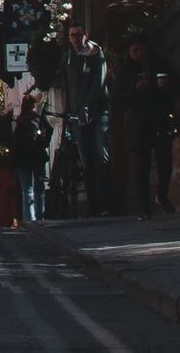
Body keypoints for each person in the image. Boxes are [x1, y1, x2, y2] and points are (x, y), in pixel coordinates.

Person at [119, 36, 180, 217]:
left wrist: (167, 86)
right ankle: (143, 208)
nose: (138, 54)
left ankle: (162, 194)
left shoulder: (161, 63)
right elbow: (118, 97)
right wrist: (135, 89)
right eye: (134, 51)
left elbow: (178, 86)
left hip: (160, 117)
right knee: (140, 166)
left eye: (141, 50)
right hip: (137, 122)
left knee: (164, 159)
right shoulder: (126, 70)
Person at [62, 21, 112, 215]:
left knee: (102, 158)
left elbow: (98, 84)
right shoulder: (68, 58)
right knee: (87, 162)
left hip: (97, 114)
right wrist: (72, 110)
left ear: (86, 35)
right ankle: (93, 207)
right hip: (77, 116)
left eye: (78, 35)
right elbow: (69, 86)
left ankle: (108, 204)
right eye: (71, 35)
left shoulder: (95, 54)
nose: (74, 39)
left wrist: (88, 107)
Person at [8, 89, 49, 225]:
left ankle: (29, 220)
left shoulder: (18, 121)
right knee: (40, 189)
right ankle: (40, 218)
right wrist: (44, 143)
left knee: (27, 190)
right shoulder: (38, 119)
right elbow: (49, 130)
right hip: (37, 157)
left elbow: (13, 141)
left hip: (22, 160)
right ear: (34, 105)